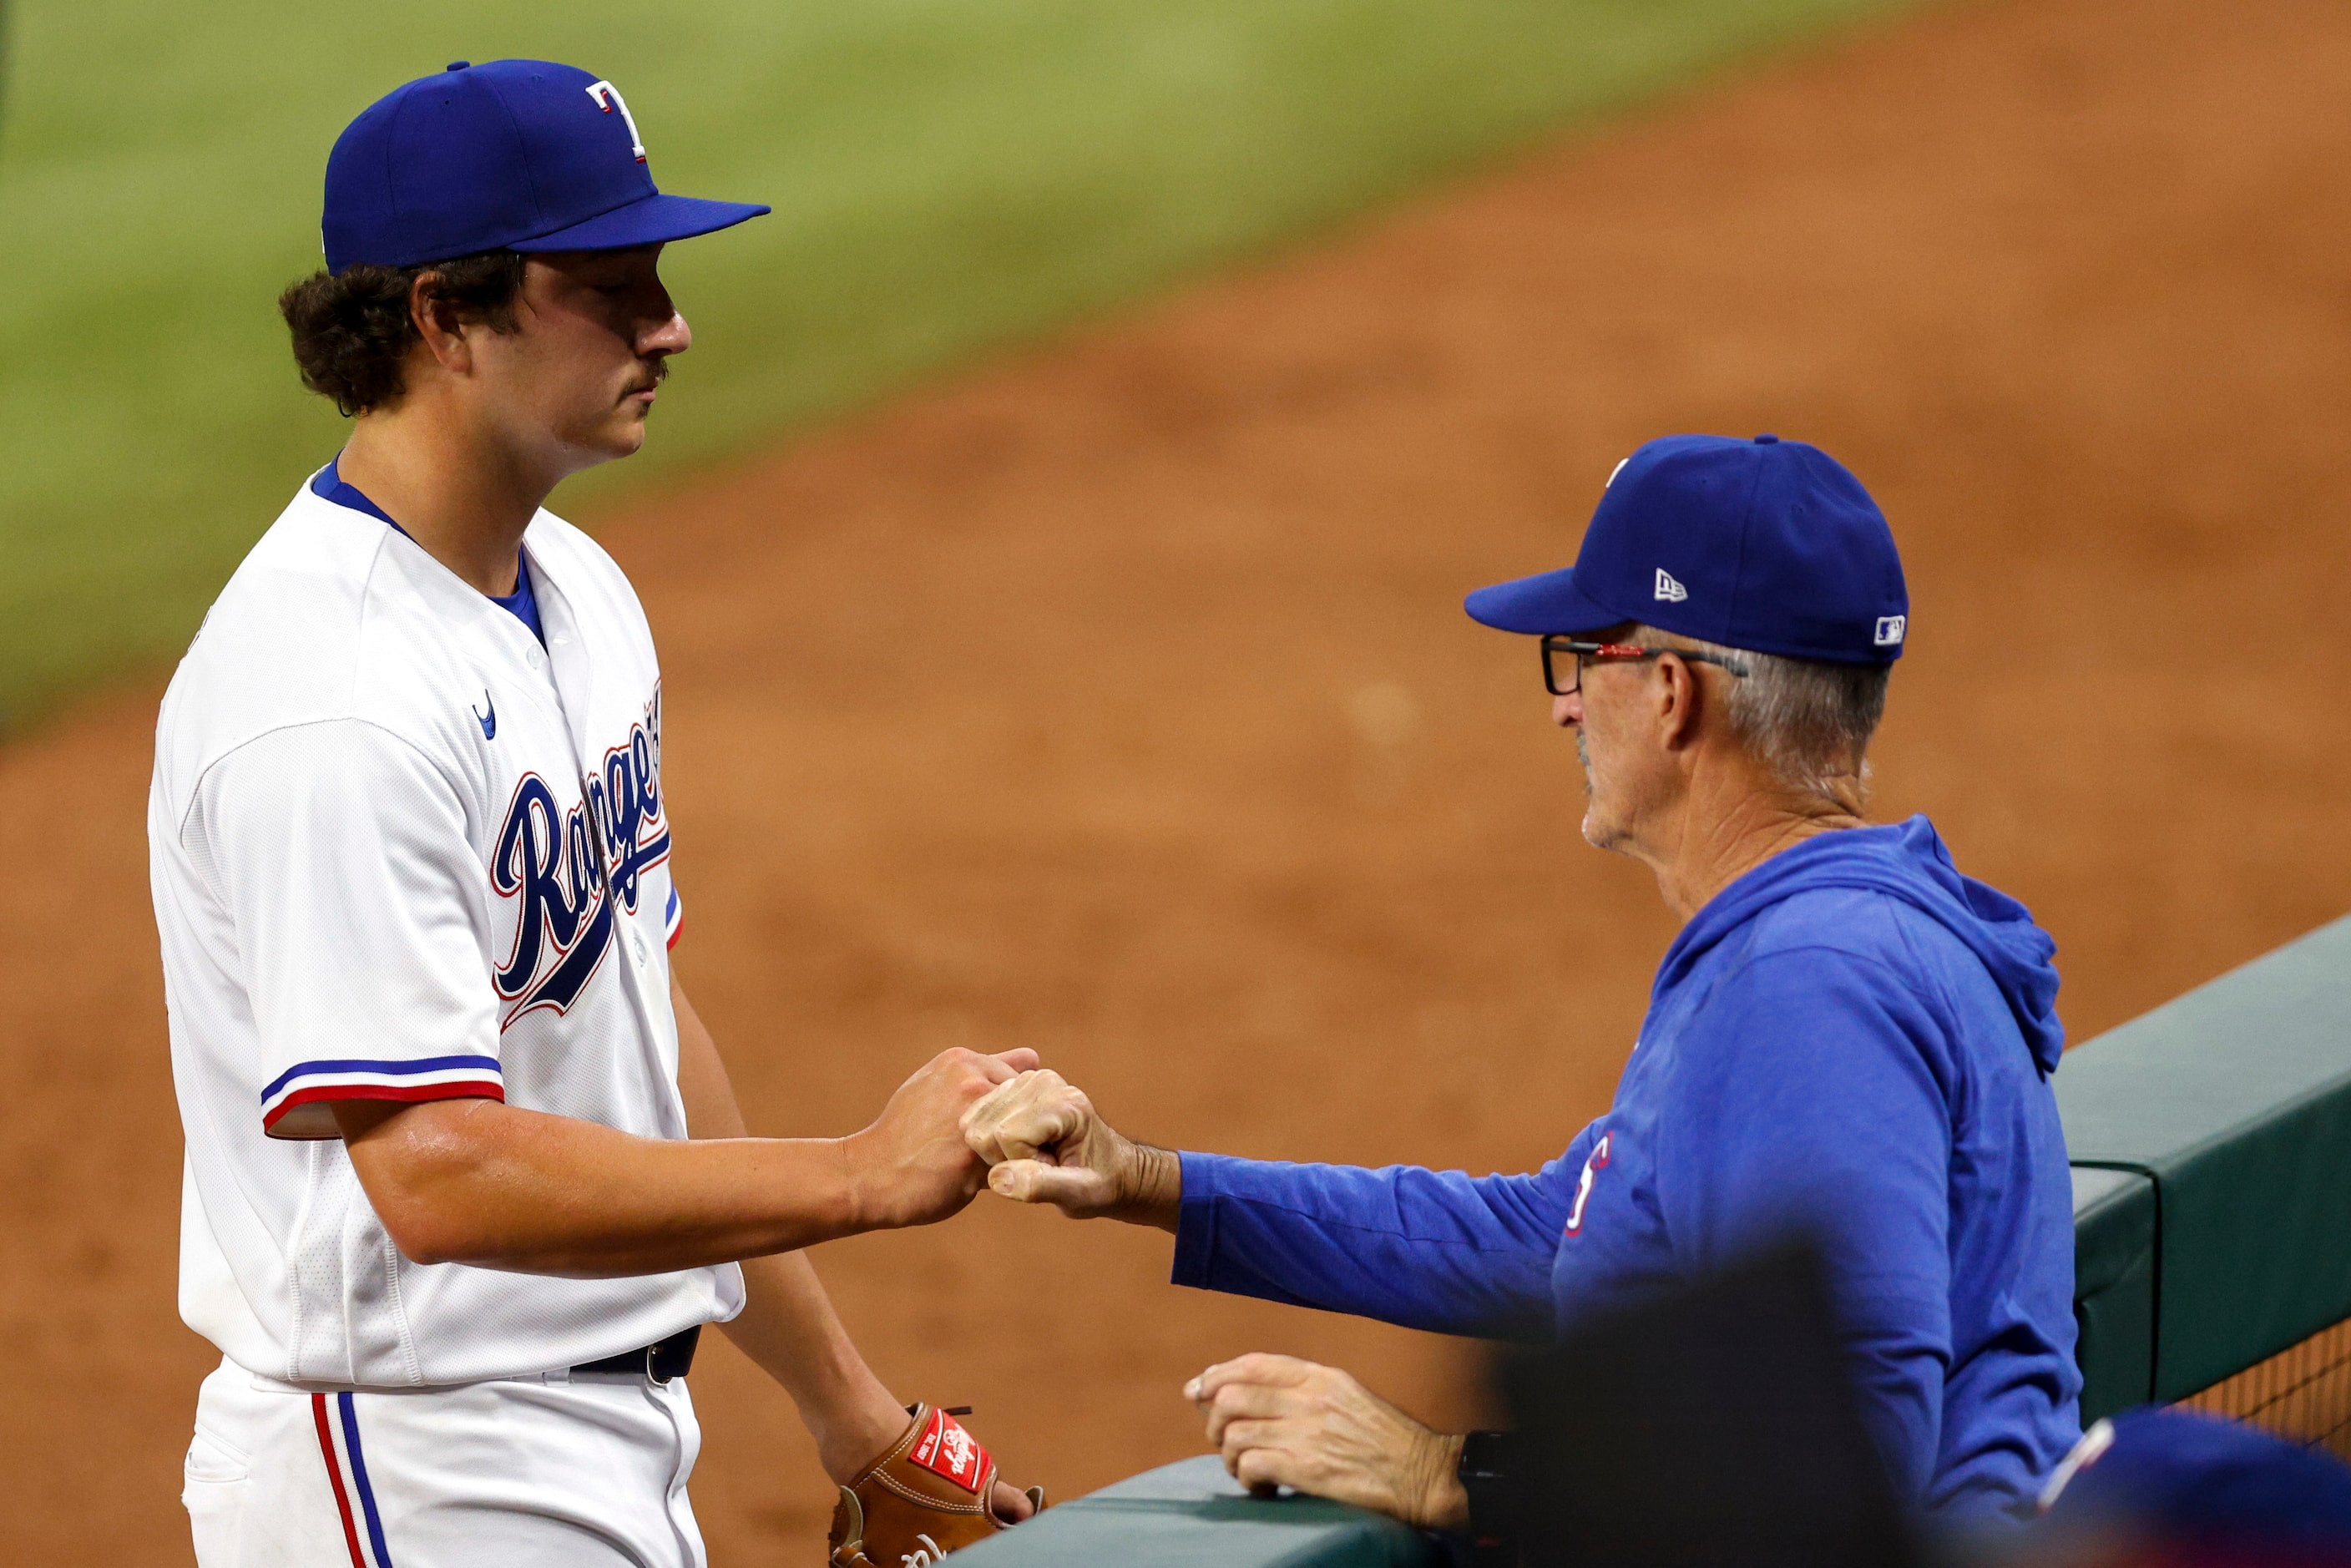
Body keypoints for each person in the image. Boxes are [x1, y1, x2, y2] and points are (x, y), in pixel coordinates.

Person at [151, 60, 1036, 1567]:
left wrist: (851, 1410)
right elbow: (430, 1167)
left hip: (592, 1437)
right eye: (612, 284)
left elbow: (632, 1025)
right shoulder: (332, 701)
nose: (670, 321)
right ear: (442, 317)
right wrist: (858, 1172)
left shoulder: (578, 593)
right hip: (411, 1460)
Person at [961, 433, 2083, 1534]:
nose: (1561, 703)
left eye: (1583, 654)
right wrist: (1146, 1178)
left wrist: (1447, 1471)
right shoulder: (1842, 936)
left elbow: (1833, 1480)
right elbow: (1568, 1240)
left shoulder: (1812, 989)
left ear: (1673, 694)